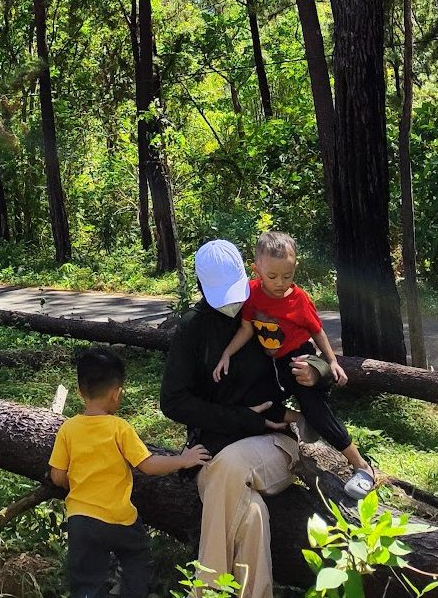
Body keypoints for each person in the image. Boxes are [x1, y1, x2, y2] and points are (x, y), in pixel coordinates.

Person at [160, 239, 332, 598]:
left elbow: (314, 357)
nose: (232, 302)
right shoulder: (193, 328)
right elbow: (173, 402)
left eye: (235, 291)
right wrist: (241, 419)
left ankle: (206, 590)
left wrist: (316, 372)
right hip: (213, 447)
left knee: (231, 466)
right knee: (251, 517)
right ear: (203, 288)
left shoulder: (266, 310)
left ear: (247, 275)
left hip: (275, 442)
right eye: (221, 295)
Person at [211, 231, 375, 499]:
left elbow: (318, 331)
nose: (280, 283)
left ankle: (362, 466)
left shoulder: (298, 299)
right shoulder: (251, 293)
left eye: (287, 276)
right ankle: (298, 420)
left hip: (299, 359)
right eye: (272, 276)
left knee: (316, 410)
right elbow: (246, 329)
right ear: (257, 269)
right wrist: (226, 354)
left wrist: (331, 361)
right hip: (271, 365)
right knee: (252, 400)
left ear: (294, 267)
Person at [49, 347, 212, 598]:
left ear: (81, 392)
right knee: (137, 555)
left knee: (85, 582)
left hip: (80, 520)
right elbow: (147, 464)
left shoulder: (68, 429)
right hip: (119, 519)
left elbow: (58, 476)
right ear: (117, 393)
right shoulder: (119, 428)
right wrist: (183, 459)